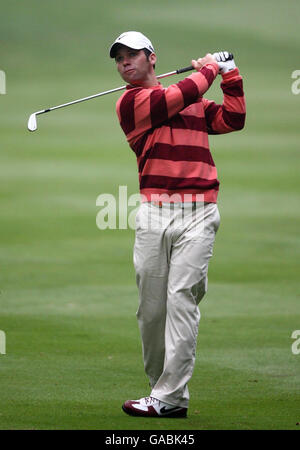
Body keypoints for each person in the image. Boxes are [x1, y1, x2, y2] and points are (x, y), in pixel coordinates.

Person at [109, 31, 246, 418]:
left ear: (152, 57)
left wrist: (230, 74)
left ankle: (169, 397)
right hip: (155, 214)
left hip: (199, 213)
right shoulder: (131, 103)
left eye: (132, 55)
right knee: (151, 311)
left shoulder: (191, 100)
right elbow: (174, 97)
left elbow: (233, 118)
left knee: (182, 299)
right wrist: (208, 69)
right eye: (119, 59)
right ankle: (161, 390)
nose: (125, 63)